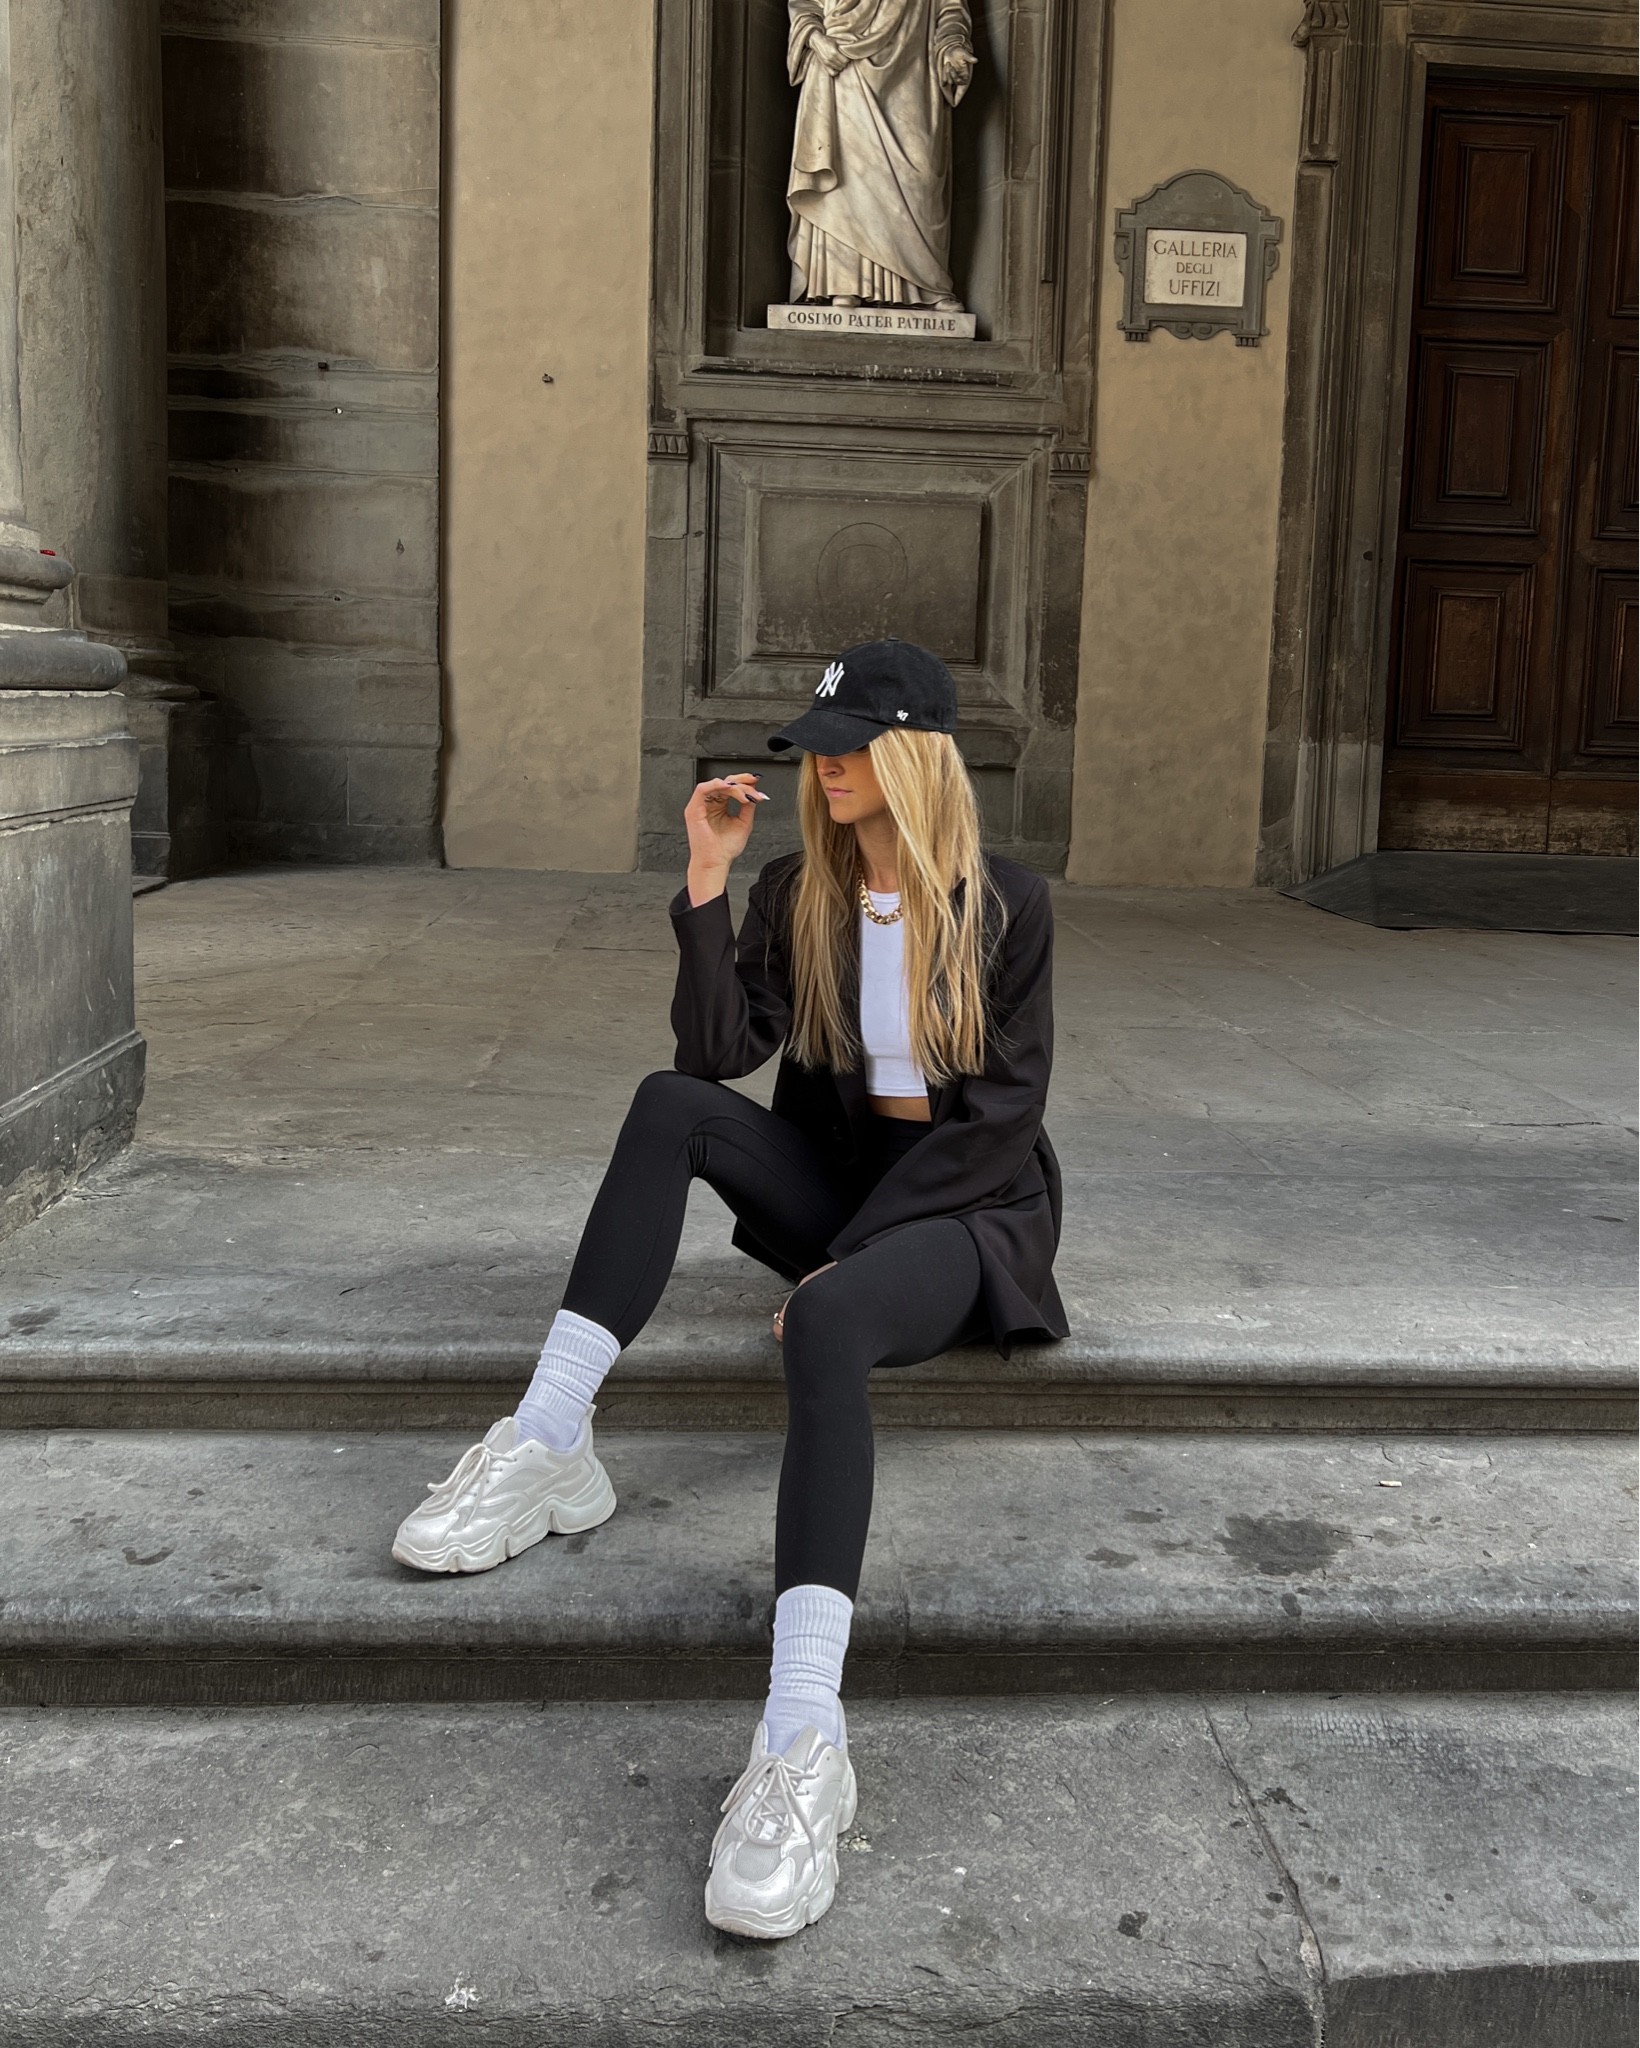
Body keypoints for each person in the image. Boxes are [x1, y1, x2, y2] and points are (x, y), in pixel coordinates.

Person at [391, 639, 1066, 1940]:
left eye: (850, 745)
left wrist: (852, 1256)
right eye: (820, 743)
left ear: (916, 758)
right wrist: (702, 884)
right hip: (840, 1184)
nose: (823, 766)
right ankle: (548, 1437)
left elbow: (1000, 1120)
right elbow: (716, 1056)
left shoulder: (1010, 908)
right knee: (666, 1108)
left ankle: (803, 1740)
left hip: (964, 1212)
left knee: (826, 1319)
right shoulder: (793, 890)